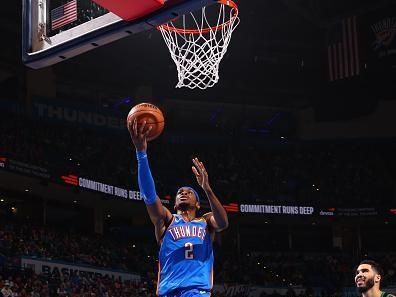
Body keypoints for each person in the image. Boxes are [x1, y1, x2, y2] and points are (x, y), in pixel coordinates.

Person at [129, 119, 229, 297]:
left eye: (189, 192)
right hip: (169, 292)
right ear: (174, 204)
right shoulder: (167, 220)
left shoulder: (205, 222)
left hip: (197, 292)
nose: (183, 193)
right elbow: (149, 196)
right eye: (180, 192)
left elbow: (223, 222)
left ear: (198, 203)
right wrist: (141, 153)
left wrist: (207, 189)